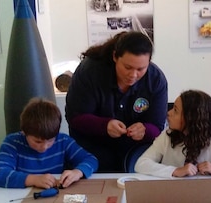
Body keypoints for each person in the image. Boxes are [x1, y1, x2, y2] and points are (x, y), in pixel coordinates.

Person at [65, 31, 168, 172]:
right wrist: (104, 126)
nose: (133, 75)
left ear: (149, 62)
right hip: (91, 149)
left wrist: (145, 130)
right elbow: (75, 117)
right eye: (127, 67)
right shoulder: (90, 71)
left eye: (140, 69)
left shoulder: (156, 80)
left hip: (134, 151)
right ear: (115, 57)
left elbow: (157, 126)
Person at [0, 98, 98, 189]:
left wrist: (77, 172)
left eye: (50, 140)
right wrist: (32, 179)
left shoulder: (63, 141)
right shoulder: (12, 143)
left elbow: (91, 159)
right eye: (37, 141)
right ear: (24, 132)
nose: (44, 146)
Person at [135, 90, 211, 178]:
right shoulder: (167, 136)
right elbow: (141, 164)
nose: (169, 113)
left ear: (191, 118)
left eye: (176, 110)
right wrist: (175, 171)